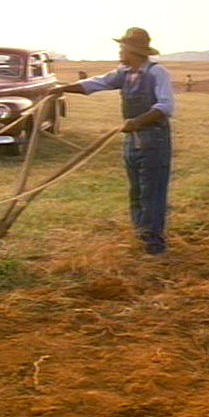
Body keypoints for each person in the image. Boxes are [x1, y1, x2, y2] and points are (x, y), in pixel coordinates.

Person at [54, 27, 175, 256]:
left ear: (134, 50)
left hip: (153, 141)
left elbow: (165, 107)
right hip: (133, 140)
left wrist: (137, 122)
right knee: (136, 191)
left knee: (152, 192)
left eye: (122, 47)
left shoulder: (158, 73)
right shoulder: (125, 73)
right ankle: (140, 236)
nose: (120, 51)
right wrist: (61, 89)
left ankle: (154, 247)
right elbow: (96, 84)